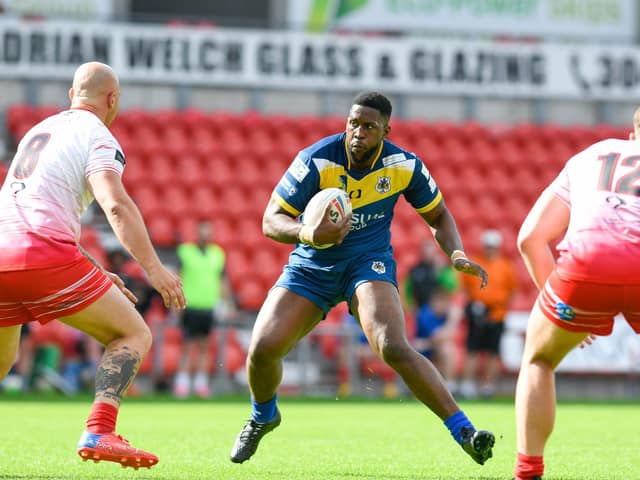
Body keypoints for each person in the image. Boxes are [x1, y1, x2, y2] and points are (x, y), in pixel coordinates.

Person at [229, 91, 495, 466]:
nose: (358, 133)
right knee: (262, 349)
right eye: (354, 123)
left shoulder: (404, 166)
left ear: (386, 129)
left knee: (392, 345)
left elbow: (439, 216)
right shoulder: (316, 160)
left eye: (369, 127)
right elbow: (271, 220)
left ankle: (465, 432)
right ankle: (263, 416)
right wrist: (308, 232)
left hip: (367, 263)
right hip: (312, 266)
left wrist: (456, 253)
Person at [0, 62, 185, 469]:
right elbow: (115, 204)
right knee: (133, 333)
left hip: (2, 254)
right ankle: (100, 429)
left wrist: (94, 268)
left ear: (71, 96)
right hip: (42, 255)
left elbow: (23, 209)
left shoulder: (39, 130)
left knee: (1, 362)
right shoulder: (97, 135)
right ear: (113, 99)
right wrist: (154, 268)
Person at [512, 110, 640, 480]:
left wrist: (559, 305)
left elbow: (529, 239)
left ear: (631, 135)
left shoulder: (590, 156)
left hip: (588, 266)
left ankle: (528, 472)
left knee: (540, 359)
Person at [174, 220, 236, 398]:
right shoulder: (185, 252)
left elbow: (222, 280)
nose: (205, 235)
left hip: (208, 306)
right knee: (187, 345)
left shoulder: (217, 254)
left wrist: (228, 303)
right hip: (189, 305)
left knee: (204, 346)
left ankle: (201, 384)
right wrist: (175, 304)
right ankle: (182, 384)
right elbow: (177, 276)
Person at [459, 229, 518, 399]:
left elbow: (512, 290)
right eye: (487, 246)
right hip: (477, 312)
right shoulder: (475, 264)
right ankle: (467, 384)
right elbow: (465, 287)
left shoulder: (506, 266)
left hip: (496, 314)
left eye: (492, 247)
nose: (489, 249)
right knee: (472, 349)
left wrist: (500, 306)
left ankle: (488, 385)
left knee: (493, 352)